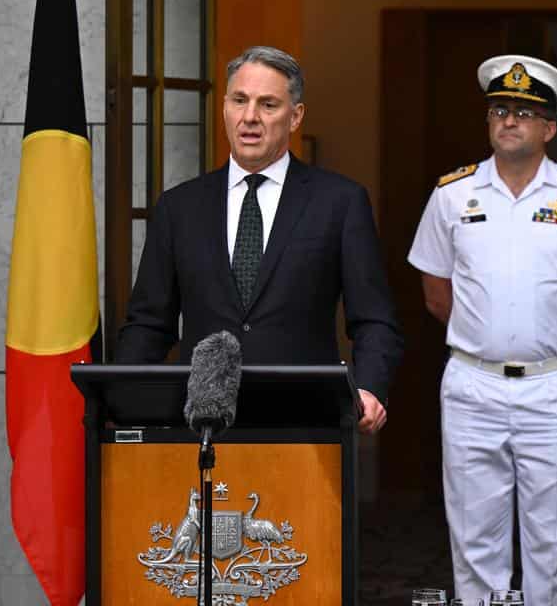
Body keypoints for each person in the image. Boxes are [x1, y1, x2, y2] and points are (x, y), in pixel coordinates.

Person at [408, 55, 557, 605]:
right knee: (475, 536)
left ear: (549, 127)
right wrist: (491, 337)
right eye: (499, 109)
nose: (509, 120)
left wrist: (544, 334)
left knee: (554, 538)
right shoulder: (452, 194)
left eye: (524, 111)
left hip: (556, 385)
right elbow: (435, 291)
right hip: (473, 383)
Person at [116, 45, 401, 434]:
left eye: (268, 105)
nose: (250, 117)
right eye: (239, 100)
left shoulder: (340, 202)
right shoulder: (179, 207)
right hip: (203, 429)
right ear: (224, 108)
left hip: (305, 428)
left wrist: (369, 388)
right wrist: (122, 400)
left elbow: (373, 319)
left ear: (295, 116)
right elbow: (149, 323)